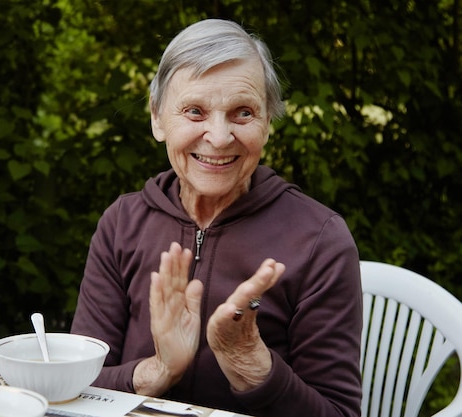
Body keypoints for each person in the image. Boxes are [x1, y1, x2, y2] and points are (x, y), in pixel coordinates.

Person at [71, 18, 362, 417]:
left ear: (268, 122)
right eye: (194, 111)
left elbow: (338, 412)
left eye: (243, 113)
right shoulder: (123, 222)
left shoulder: (319, 239)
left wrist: (250, 365)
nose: (219, 137)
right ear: (158, 118)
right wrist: (158, 371)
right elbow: (77, 382)